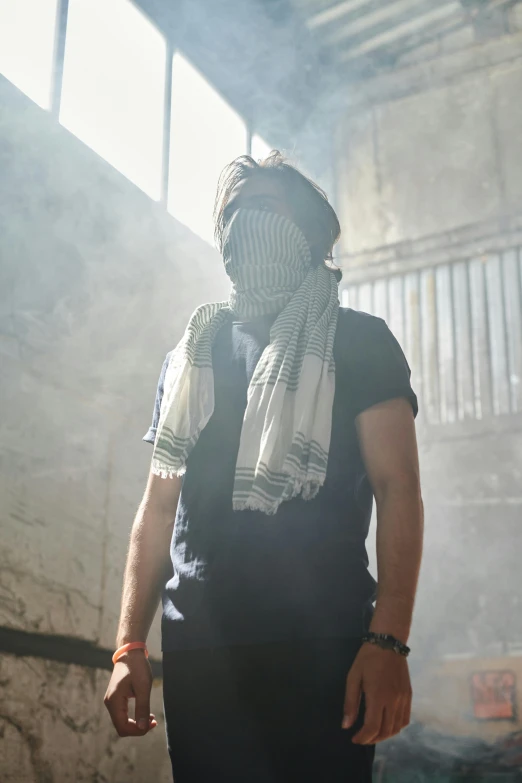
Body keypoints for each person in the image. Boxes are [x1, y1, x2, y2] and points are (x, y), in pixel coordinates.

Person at [104, 151, 424, 783]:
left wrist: (387, 641)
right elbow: (158, 509)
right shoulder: (189, 357)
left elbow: (399, 491)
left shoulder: (359, 340)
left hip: (323, 643)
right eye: (233, 213)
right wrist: (128, 645)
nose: (245, 222)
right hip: (200, 647)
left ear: (308, 229)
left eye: (264, 207)